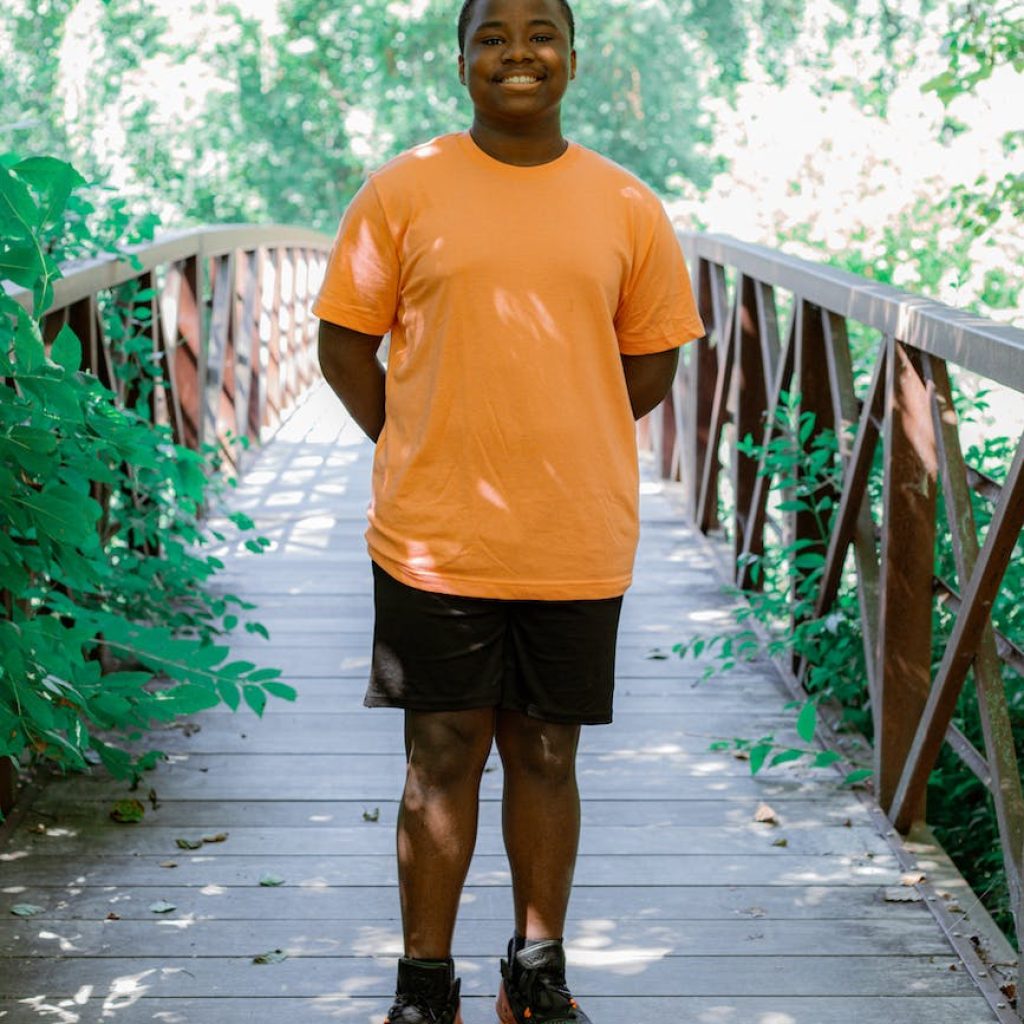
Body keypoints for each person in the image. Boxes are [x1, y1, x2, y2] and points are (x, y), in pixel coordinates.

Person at [314, 0, 704, 1020]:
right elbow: (344, 345)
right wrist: (420, 442)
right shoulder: (403, 190)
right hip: (432, 536)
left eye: (540, 35)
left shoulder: (625, 205)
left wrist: (551, 424)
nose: (517, 53)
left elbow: (651, 359)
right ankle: (423, 986)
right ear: (460, 59)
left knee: (544, 748)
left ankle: (534, 975)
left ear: (572, 57)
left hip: (574, 532)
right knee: (441, 749)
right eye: (493, 35)